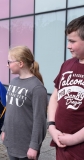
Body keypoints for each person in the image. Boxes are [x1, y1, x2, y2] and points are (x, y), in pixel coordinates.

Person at [1, 46, 48, 160]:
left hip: (26, 147)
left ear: (20, 63)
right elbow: (10, 109)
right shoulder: (13, 82)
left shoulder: (37, 88)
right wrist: (4, 129)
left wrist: (34, 146)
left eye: (9, 62)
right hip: (11, 142)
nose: (7, 65)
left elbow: (40, 120)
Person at [48, 15, 84, 160]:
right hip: (61, 143)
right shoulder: (67, 64)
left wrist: (74, 139)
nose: (68, 46)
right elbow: (56, 96)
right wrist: (51, 126)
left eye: (72, 41)